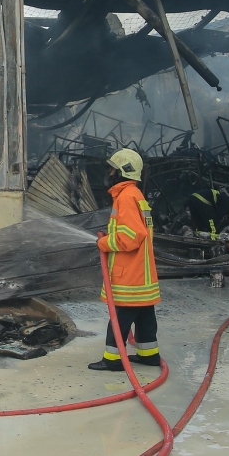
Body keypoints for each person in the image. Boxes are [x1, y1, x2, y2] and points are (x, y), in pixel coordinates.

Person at [88, 148, 162, 371]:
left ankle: (112, 359)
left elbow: (131, 237)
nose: (109, 173)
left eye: (113, 169)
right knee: (145, 316)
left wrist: (104, 243)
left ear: (122, 172)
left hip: (129, 275)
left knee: (119, 319)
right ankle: (149, 355)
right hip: (142, 273)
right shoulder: (135, 194)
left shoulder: (126, 197)